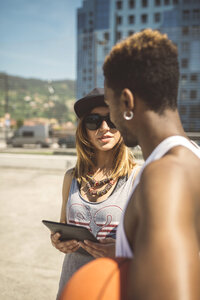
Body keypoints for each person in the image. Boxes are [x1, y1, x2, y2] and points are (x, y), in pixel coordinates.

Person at [102, 29, 200, 299]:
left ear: (126, 101)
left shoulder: (166, 174)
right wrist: (127, 250)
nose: (111, 118)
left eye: (110, 106)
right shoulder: (190, 156)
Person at [51, 88, 140, 299]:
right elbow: (63, 226)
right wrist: (58, 241)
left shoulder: (138, 177)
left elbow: (156, 243)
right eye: (93, 121)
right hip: (72, 284)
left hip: (115, 286)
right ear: (84, 130)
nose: (104, 128)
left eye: (112, 120)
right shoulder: (71, 177)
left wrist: (121, 249)